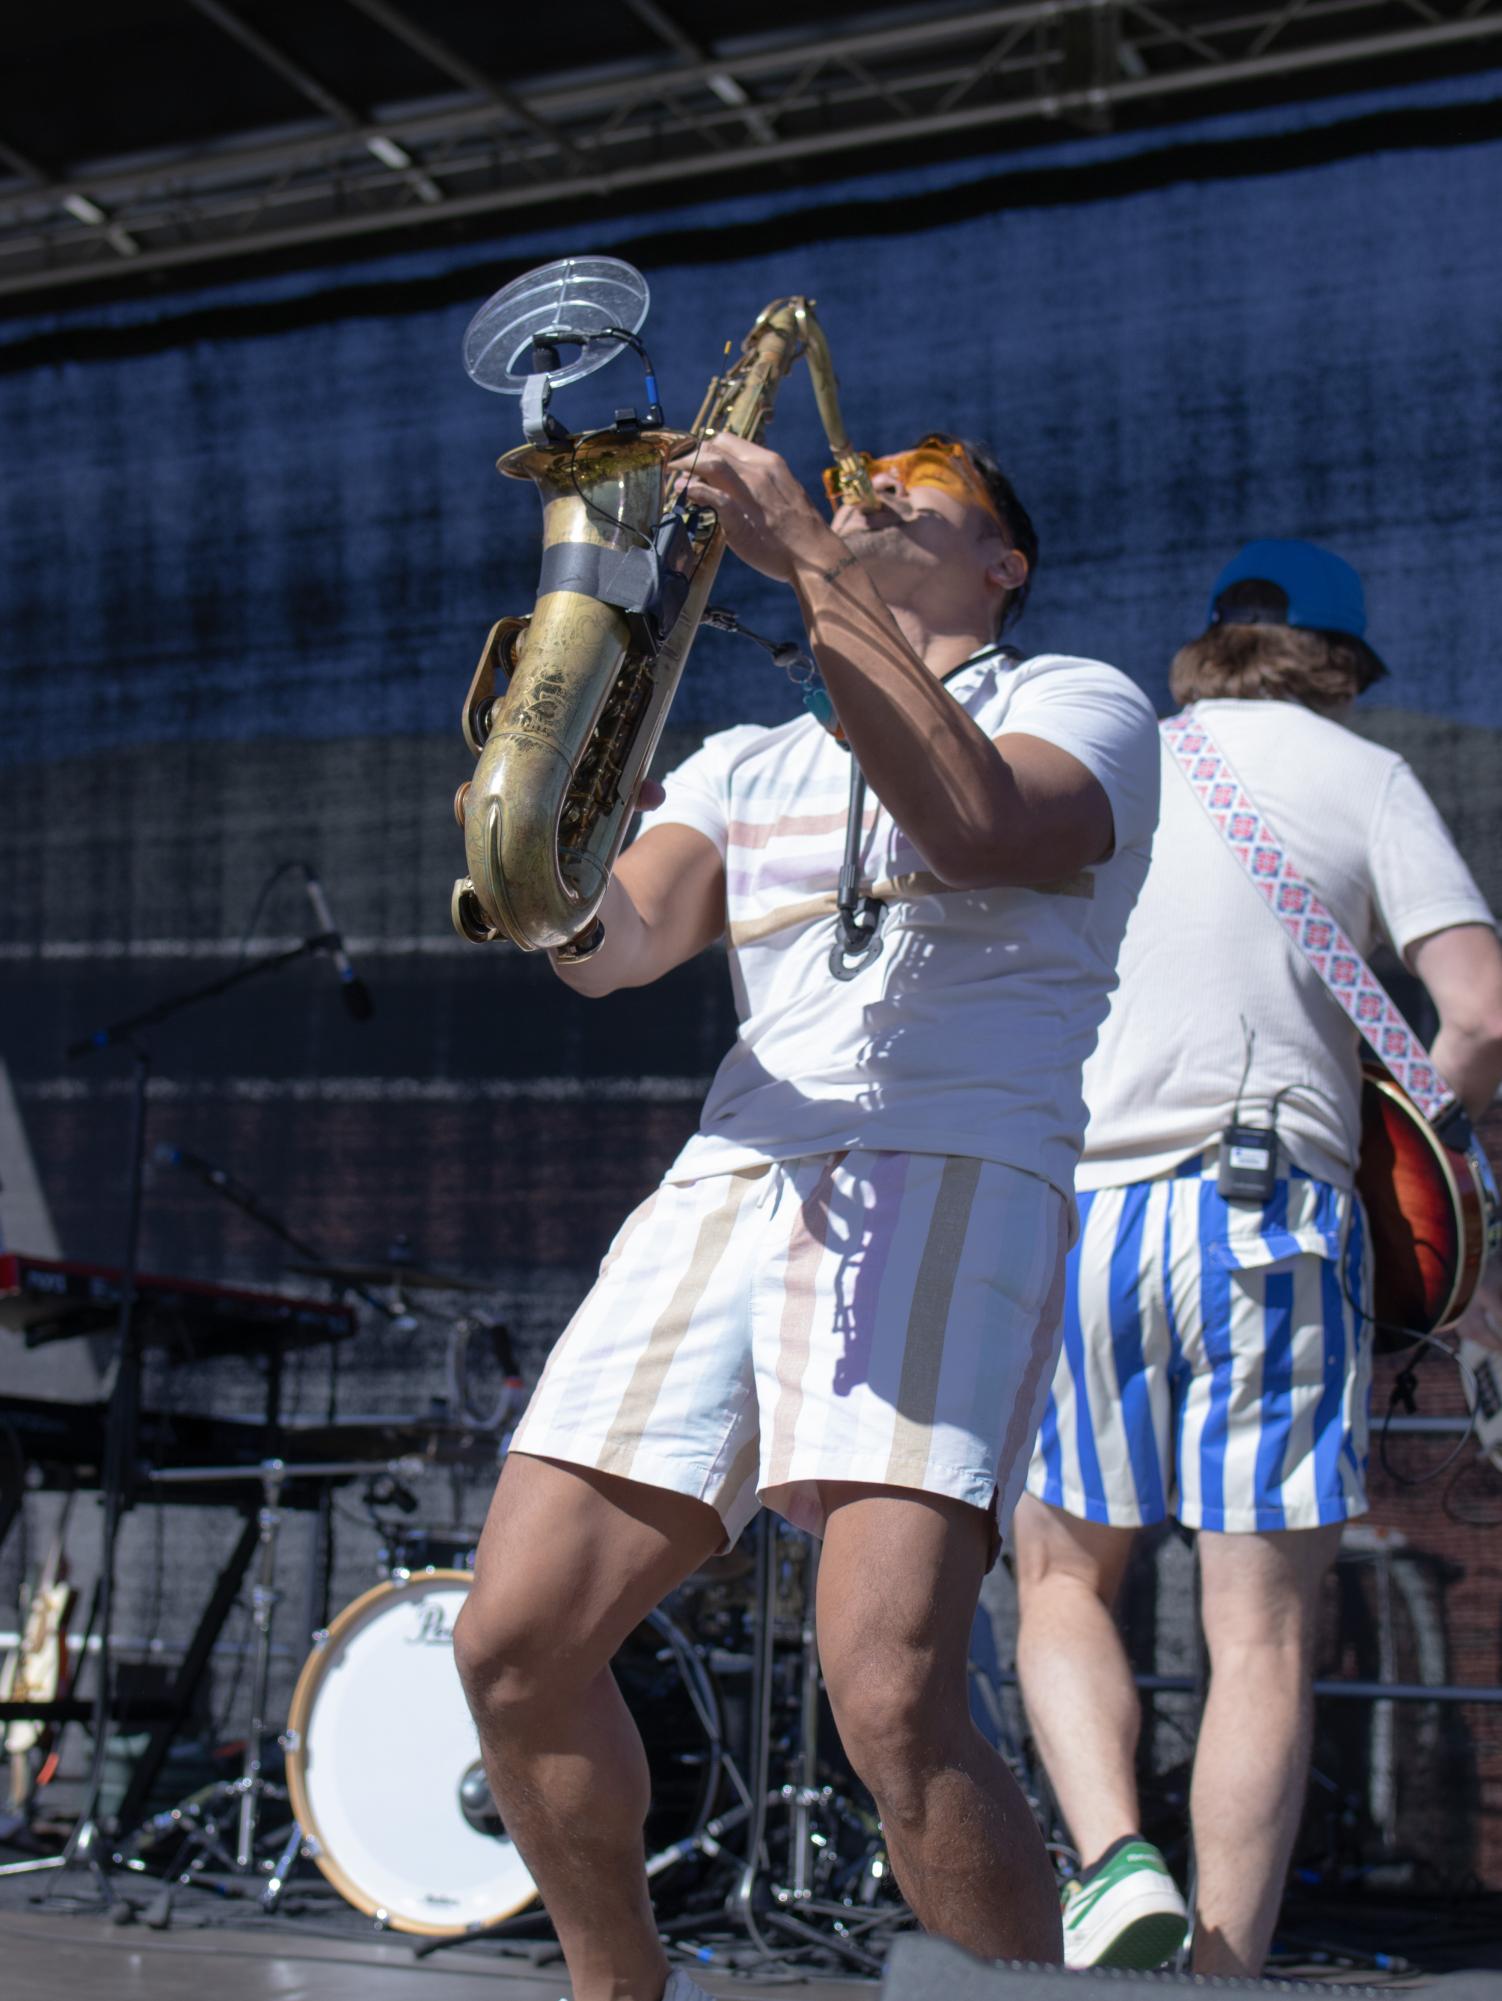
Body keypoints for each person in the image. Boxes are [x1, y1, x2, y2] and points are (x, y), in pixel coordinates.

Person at [451, 427, 1160, 2001]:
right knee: (510, 1646)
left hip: (953, 1159)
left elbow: (979, 826)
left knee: (890, 1686)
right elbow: (615, 947)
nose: (877, 478)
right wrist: (541, 830)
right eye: (857, 476)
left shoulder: (1081, 699)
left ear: (1006, 562)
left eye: (933, 478)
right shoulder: (743, 759)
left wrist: (813, 559)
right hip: (734, 1174)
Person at [1011, 538, 1502, 1977]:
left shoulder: (1112, 765)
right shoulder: (1364, 777)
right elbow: (1476, 1011)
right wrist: (1409, 1138)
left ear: (1203, 645)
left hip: (1086, 1209)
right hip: (1264, 1214)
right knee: (1261, 1635)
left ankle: (1111, 1861)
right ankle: (1220, 1974)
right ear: (1341, 666)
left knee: (1057, 1584)